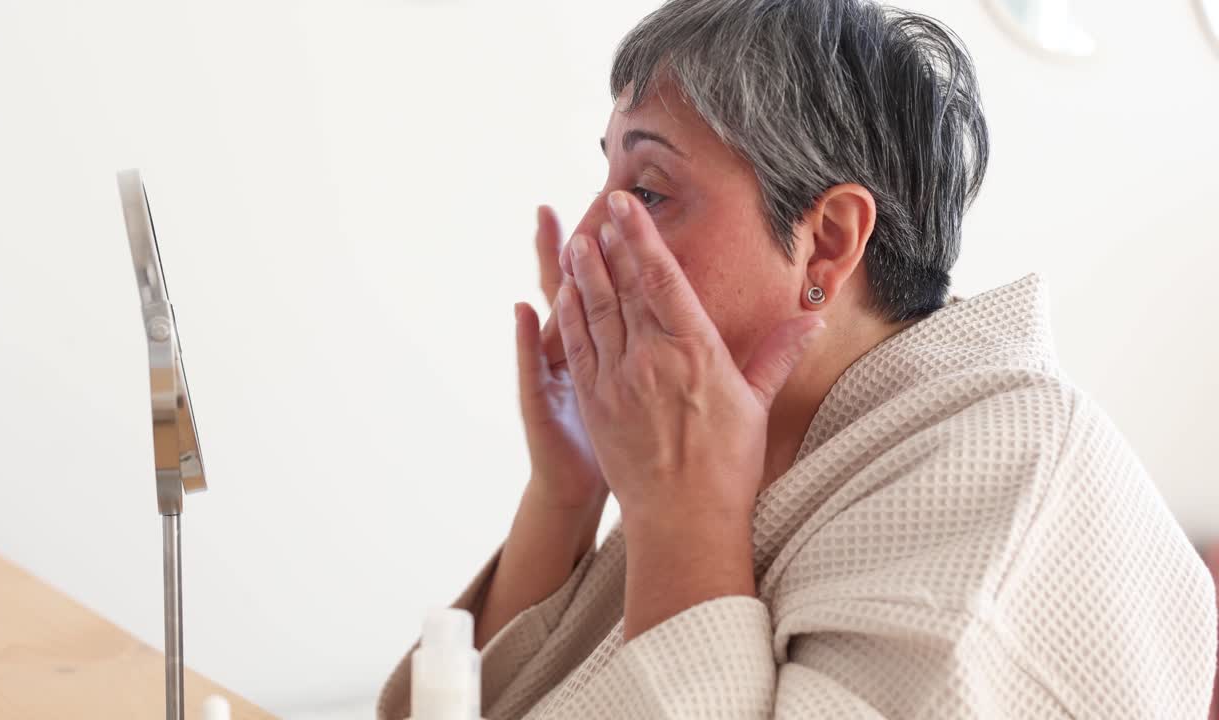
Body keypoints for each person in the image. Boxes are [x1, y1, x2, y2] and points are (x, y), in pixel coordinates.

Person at [379, 0, 1218, 717]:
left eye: (649, 190)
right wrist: (567, 490)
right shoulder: (752, 430)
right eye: (608, 177)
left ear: (827, 242)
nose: (592, 233)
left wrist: (688, 525)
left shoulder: (1007, 477)